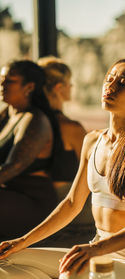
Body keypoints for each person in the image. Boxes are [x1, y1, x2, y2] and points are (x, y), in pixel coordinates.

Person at [0, 58, 125, 279]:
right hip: (95, 253)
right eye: (109, 79)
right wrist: (22, 241)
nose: (111, 86)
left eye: (123, 83)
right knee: (5, 260)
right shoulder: (92, 141)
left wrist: (94, 249)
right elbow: (71, 204)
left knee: (71, 277)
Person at [0, 59, 62, 241]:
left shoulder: (35, 120)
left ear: (29, 87)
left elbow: (12, 167)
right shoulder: (6, 114)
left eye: (9, 81)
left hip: (32, 203)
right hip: (10, 197)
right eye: (1, 79)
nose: (2, 85)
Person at [38, 56, 86, 199]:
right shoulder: (71, 128)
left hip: (34, 198)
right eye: (69, 83)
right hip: (63, 199)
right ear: (59, 87)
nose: (71, 87)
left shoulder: (30, 119)